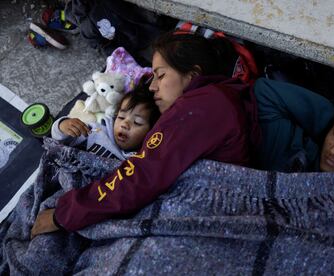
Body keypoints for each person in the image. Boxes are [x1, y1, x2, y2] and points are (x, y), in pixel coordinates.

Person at [30, 31, 259, 236]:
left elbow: (143, 175)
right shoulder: (219, 98)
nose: (152, 86)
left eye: (160, 75)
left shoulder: (200, 106)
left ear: (192, 75)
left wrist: (65, 214)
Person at [51, 87, 160, 160]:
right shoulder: (96, 131)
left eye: (137, 122)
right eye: (121, 117)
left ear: (151, 131)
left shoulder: (138, 160)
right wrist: (63, 126)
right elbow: (58, 142)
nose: (124, 124)